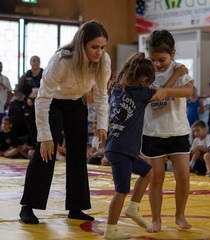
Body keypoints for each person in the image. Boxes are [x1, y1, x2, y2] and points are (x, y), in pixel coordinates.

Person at [19, 20, 111, 224]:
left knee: (78, 153)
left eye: (102, 47)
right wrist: (44, 136)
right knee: (46, 152)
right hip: (53, 104)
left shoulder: (103, 60)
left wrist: (102, 124)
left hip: (77, 103)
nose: (99, 52)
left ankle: (76, 207)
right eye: (94, 47)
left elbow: (102, 94)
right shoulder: (61, 60)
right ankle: (28, 206)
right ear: (82, 44)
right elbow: (42, 99)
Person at [104, 52, 169, 239]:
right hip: (121, 149)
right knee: (121, 190)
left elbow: (131, 67)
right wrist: (177, 75)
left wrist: (137, 60)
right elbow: (162, 93)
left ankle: (133, 207)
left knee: (148, 172)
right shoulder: (141, 93)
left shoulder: (118, 88)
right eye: (149, 80)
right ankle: (111, 229)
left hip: (120, 148)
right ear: (143, 79)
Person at [141, 30, 193, 232]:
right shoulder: (146, 72)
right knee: (156, 178)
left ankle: (180, 215)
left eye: (162, 59)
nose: (157, 64)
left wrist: (169, 87)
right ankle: (156, 219)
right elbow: (151, 96)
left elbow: (189, 91)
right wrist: (167, 84)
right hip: (153, 132)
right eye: (153, 59)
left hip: (178, 131)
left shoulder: (180, 70)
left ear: (172, 53)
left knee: (183, 177)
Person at [18, 55, 43, 149]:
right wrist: (26, 99)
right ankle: (34, 148)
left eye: (37, 61)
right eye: (33, 61)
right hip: (30, 105)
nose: (35, 62)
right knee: (32, 127)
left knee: (42, 126)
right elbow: (18, 91)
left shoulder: (45, 74)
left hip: (42, 104)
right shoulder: (25, 76)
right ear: (30, 63)